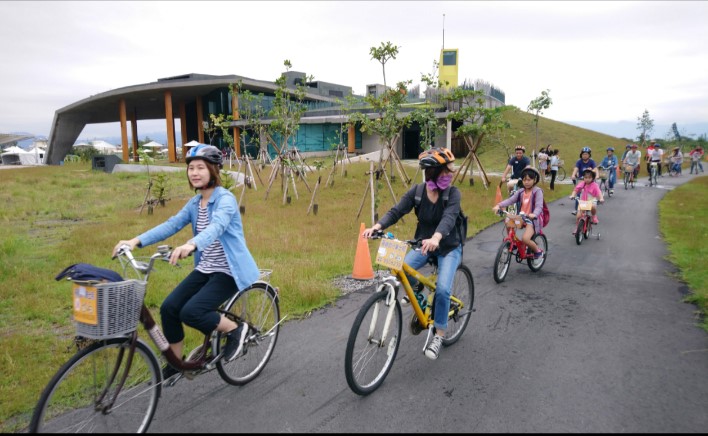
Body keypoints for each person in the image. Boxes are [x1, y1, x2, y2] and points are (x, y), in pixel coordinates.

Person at [112, 144, 260, 379]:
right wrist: (135, 241)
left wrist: (191, 244)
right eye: (191, 168)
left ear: (213, 170)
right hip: (205, 269)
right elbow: (171, 225)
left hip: (228, 271)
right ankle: (176, 362)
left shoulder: (226, 199)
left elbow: (217, 226)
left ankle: (235, 330)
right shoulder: (195, 203)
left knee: (191, 312)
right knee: (169, 308)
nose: (194, 173)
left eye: (201, 167)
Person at [362, 147, 463, 361]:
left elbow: (450, 217)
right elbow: (397, 210)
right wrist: (377, 226)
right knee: (399, 271)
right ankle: (420, 299)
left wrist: (437, 238)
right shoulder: (417, 192)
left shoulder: (452, 193)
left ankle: (439, 334)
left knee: (443, 290)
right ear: (432, 172)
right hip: (422, 245)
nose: (450, 174)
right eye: (446, 170)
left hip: (448, 247)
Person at [492, 166, 545, 258]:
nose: (526, 182)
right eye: (524, 180)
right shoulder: (520, 191)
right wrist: (499, 205)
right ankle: (513, 242)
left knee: (525, 239)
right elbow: (510, 200)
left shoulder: (537, 191)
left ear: (535, 179)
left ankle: (537, 251)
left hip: (532, 220)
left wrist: (534, 214)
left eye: (529, 180)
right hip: (521, 217)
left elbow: (539, 206)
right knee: (508, 221)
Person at [569, 147, 598, 214]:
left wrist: (594, 173)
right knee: (578, 194)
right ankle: (577, 209)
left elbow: (595, 169)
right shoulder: (579, 161)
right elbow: (576, 168)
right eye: (583, 154)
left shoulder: (591, 161)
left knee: (590, 194)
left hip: (590, 180)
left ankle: (591, 207)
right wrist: (573, 175)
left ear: (589, 155)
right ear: (581, 155)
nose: (584, 155)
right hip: (581, 179)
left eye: (586, 154)